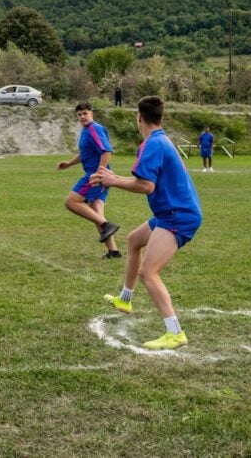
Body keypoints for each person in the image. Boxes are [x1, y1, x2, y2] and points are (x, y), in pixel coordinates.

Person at [92, 96, 203, 350]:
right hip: (170, 213)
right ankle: (125, 300)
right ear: (160, 117)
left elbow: (146, 186)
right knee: (133, 240)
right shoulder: (161, 140)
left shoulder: (153, 144)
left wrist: (113, 181)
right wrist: (116, 177)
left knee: (148, 273)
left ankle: (175, 333)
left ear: (139, 118)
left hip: (178, 216)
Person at [56, 102, 122, 259]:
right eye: (79, 114)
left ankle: (107, 225)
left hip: (95, 176)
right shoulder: (86, 131)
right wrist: (68, 164)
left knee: (71, 202)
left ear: (91, 113)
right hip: (98, 175)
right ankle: (113, 251)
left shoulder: (94, 129)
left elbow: (107, 151)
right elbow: (84, 154)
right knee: (96, 211)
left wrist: (99, 173)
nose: (82, 117)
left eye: (85, 113)